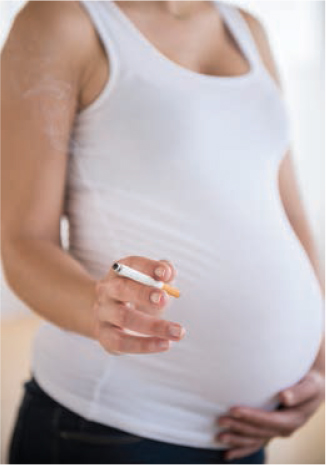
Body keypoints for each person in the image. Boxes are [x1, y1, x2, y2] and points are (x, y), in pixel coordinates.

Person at [1, 1, 324, 464]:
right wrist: (98, 306)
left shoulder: (247, 28)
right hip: (111, 433)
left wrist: (315, 362)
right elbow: (22, 242)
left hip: (245, 437)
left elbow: (287, 212)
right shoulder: (62, 21)